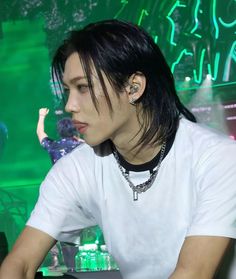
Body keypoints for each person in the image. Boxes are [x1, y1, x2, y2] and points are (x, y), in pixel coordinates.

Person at [1, 19, 236, 279]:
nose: (70, 105)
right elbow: (19, 263)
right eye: (68, 90)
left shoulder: (219, 158)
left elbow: (193, 273)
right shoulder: (75, 169)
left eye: (83, 88)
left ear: (133, 87)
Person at [36, 108, 84, 271]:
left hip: (61, 194)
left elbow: (40, 133)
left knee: (60, 228)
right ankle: (77, 263)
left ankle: (67, 264)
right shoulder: (82, 146)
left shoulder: (54, 146)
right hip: (82, 192)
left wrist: (41, 116)